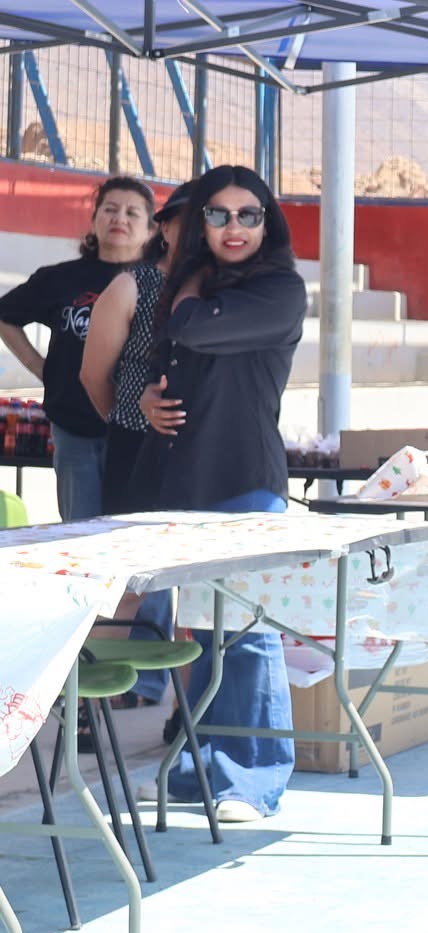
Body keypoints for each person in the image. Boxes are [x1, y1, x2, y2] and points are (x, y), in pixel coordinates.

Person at [136, 166, 307, 823]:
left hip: (243, 481)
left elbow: (197, 331)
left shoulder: (279, 290)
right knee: (202, 633)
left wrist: (190, 291)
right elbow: (169, 360)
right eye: (217, 215)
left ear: (267, 224)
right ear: (199, 223)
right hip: (184, 482)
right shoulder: (185, 288)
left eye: (248, 215)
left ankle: (253, 779)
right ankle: (195, 771)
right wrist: (151, 397)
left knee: (246, 633)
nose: (233, 227)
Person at [80, 181, 195, 709]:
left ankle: (187, 713)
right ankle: (87, 706)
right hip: (136, 452)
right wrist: (127, 419)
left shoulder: (230, 293)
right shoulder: (134, 285)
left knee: (199, 591)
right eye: (190, 218)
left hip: (202, 459)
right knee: (123, 583)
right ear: (164, 228)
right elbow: (94, 374)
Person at [0, 176, 154, 519]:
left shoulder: (160, 283)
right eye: (110, 209)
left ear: (151, 230)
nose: (120, 219)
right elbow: (6, 315)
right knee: (81, 530)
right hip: (75, 428)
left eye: (132, 213)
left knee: (132, 532)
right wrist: (39, 365)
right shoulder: (60, 278)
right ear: (94, 218)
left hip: (138, 434)